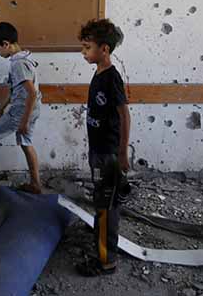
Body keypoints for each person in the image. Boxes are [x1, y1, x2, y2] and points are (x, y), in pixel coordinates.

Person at [76, 18, 132, 276]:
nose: (83, 52)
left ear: (104, 49)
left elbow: (124, 116)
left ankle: (106, 260)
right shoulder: (98, 73)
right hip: (97, 151)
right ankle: (101, 236)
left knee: (107, 205)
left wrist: (122, 153)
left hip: (107, 153)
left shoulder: (112, 78)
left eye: (87, 47)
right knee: (102, 198)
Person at [0, 22, 43, 194]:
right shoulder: (25, 57)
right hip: (32, 108)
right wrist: (2, 106)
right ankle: (36, 184)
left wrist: (24, 121)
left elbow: (31, 93)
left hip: (22, 111)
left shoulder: (18, 64)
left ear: (6, 44)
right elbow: (16, 88)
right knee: (26, 143)